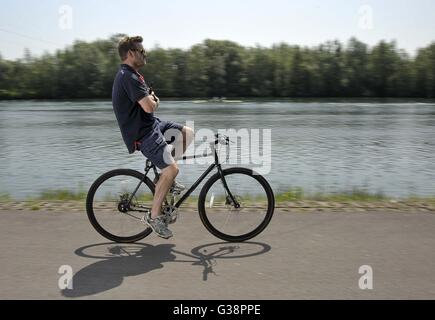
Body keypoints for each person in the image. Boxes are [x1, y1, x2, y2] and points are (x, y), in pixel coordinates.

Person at [112, 36, 194, 239]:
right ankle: (154, 216)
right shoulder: (127, 77)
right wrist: (155, 100)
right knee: (172, 169)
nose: (144, 53)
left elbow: (146, 105)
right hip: (142, 134)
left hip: (152, 125)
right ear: (130, 54)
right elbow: (148, 105)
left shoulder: (133, 75)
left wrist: (151, 100)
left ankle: (164, 179)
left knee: (187, 133)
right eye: (141, 51)